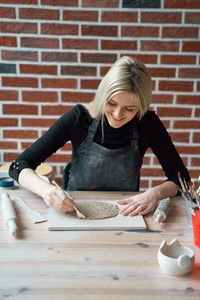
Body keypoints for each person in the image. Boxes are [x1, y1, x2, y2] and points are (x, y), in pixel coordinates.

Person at [9, 56, 190, 216]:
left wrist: (155, 193)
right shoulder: (79, 118)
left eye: (130, 109)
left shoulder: (148, 123)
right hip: (75, 210)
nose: (118, 114)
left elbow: (182, 179)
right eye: (111, 103)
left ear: (141, 107)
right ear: (103, 94)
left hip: (125, 214)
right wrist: (46, 190)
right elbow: (18, 166)